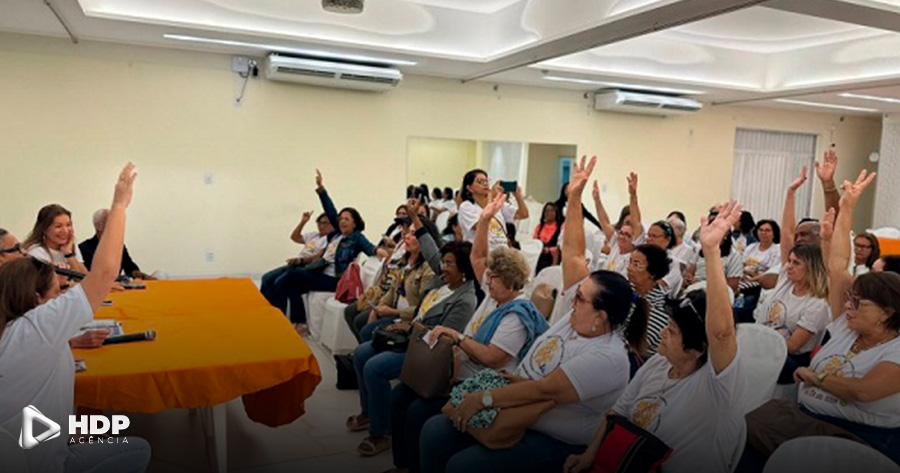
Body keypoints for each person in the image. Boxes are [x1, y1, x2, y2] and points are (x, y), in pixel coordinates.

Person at [419, 155, 648, 473]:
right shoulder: (577, 321)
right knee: (435, 431)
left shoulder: (608, 355)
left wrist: (485, 398)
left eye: (580, 299)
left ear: (601, 316)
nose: (570, 300)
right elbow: (573, 253)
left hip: (555, 439)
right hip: (520, 407)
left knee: (463, 465)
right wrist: (575, 198)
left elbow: (545, 390)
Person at [565, 201, 747, 473]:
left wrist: (710, 251)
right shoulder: (658, 364)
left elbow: (721, 333)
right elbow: (615, 415)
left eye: (672, 331)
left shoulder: (715, 384)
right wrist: (589, 457)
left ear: (698, 348)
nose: (662, 332)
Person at [0, 163, 152, 473]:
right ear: (37, 298)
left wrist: (69, 340)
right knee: (138, 447)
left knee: (97, 430)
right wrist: (120, 203)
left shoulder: (18, 329)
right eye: (57, 294)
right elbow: (104, 273)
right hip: (45, 461)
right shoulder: (37, 328)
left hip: (23, 446)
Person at [745, 168, 900, 467]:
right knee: (745, 429)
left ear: (887, 314)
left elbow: (864, 391)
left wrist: (817, 378)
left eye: (859, 303)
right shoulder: (848, 326)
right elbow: (839, 268)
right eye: (850, 300)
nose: (848, 307)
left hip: (859, 439)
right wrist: (847, 209)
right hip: (807, 419)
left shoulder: (896, 348)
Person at [387, 193, 546, 473]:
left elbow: (493, 358)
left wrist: (458, 338)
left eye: (493, 277)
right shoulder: (494, 296)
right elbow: (479, 256)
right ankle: (404, 464)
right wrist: (484, 219)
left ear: (509, 281)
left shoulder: (515, 315)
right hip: (459, 371)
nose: (486, 279)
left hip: (482, 383)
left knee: (416, 412)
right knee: (401, 395)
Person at [348, 208, 478, 458]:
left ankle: (381, 431)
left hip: (425, 350)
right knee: (362, 352)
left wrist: (410, 327)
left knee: (374, 367)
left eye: (449, 263)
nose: (442, 266)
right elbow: (431, 250)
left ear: (464, 270)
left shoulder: (465, 299)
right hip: (411, 335)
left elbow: (444, 338)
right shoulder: (444, 281)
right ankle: (370, 412)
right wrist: (417, 222)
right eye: (443, 262)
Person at [261, 169, 386, 330]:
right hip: (319, 272)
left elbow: (371, 249)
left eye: (347, 219)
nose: (342, 222)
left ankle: (275, 319)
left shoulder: (356, 237)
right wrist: (320, 188)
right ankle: (297, 322)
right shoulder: (336, 235)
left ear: (355, 223)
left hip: (334, 279)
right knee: (284, 282)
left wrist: (384, 253)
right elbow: (330, 210)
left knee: (288, 278)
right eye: (340, 219)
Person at [753, 240, 829, 383]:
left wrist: (756, 346)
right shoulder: (786, 281)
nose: (789, 266)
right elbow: (787, 234)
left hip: (789, 359)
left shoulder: (817, 304)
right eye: (789, 261)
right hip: (763, 345)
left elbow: (793, 346)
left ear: (812, 268)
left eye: (796, 263)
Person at [457, 169, 528, 251]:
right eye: (480, 182)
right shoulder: (466, 206)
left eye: (486, 181)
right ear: (469, 188)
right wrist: (492, 196)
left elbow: (523, 214)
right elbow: (481, 226)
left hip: (501, 252)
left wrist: (518, 196)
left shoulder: (498, 203)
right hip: (481, 254)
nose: (485, 184)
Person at [79, 209, 155, 280]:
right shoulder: (84, 248)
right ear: (99, 226)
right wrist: (118, 278)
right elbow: (90, 277)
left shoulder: (119, 246)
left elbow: (130, 267)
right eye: (112, 222)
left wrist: (142, 275)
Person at [627, 244, 672, 357]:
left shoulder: (660, 307)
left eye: (636, 264)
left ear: (653, 273)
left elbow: (635, 346)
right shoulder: (626, 289)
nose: (629, 267)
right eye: (630, 262)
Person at [23, 204, 88, 274]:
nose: (65, 231)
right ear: (44, 229)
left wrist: (68, 254)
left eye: (68, 225)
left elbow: (86, 279)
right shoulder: (36, 252)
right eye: (58, 226)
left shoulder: (70, 246)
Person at [533, 202, 562, 274]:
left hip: (553, 259)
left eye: (552, 210)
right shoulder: (539, 227)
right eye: (547, 210)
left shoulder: (561, 227)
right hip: (539, 258)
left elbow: (560, 245)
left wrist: (549, 250)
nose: (549, 213)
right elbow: (534, 242)